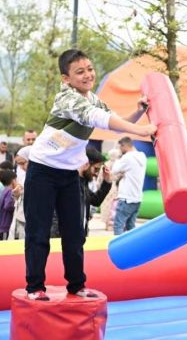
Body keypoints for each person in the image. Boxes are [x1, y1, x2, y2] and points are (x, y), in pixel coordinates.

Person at [24, 48, 156, 301]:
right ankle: (35, 287)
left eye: (90, 69)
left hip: (69, 175)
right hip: (42, 171)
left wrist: (138, 113)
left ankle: (77, 285)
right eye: (79, 72)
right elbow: (99, 118)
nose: (87, 75)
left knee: (75, 232)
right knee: (39, 232)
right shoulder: (67, 99)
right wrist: (141, 131)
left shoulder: (93, 99)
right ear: (66, 78)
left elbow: (112, 120)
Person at [111, 137, 147, 235]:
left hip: (126, 198)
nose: (120, 150)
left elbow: (114, 169)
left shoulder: (127, 157)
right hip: (137, 198)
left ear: (124, 146)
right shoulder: (142, 156)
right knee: (131, 227)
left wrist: (118, 157)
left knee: (118, 225)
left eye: (120, 148)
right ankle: (133, 249)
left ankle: (118, 248)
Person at [9, 147, 30, 240]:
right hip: (20, 217)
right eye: (19, 164)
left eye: (23, 163)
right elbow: (18, 197)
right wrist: (16, 194)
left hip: (30, 219)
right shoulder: (24, 175)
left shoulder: (41, 176)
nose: (22, 167)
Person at [100, 147, 122, 231]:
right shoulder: (118, 164)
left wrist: (99, 185)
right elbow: (118, 176)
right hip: (114, 187)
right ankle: (111, 224)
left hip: (106, 186)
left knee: (106, 205)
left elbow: (100, 177)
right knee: (114, 206)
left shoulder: (106, 164)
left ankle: (106, 224)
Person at [0, 169, 19, 240]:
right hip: (6, 226)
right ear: (13, 181)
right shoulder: (10, 192)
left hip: (3, 226)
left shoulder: (4, 190)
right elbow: (8, 206)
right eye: (16, 180)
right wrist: (16, 204)